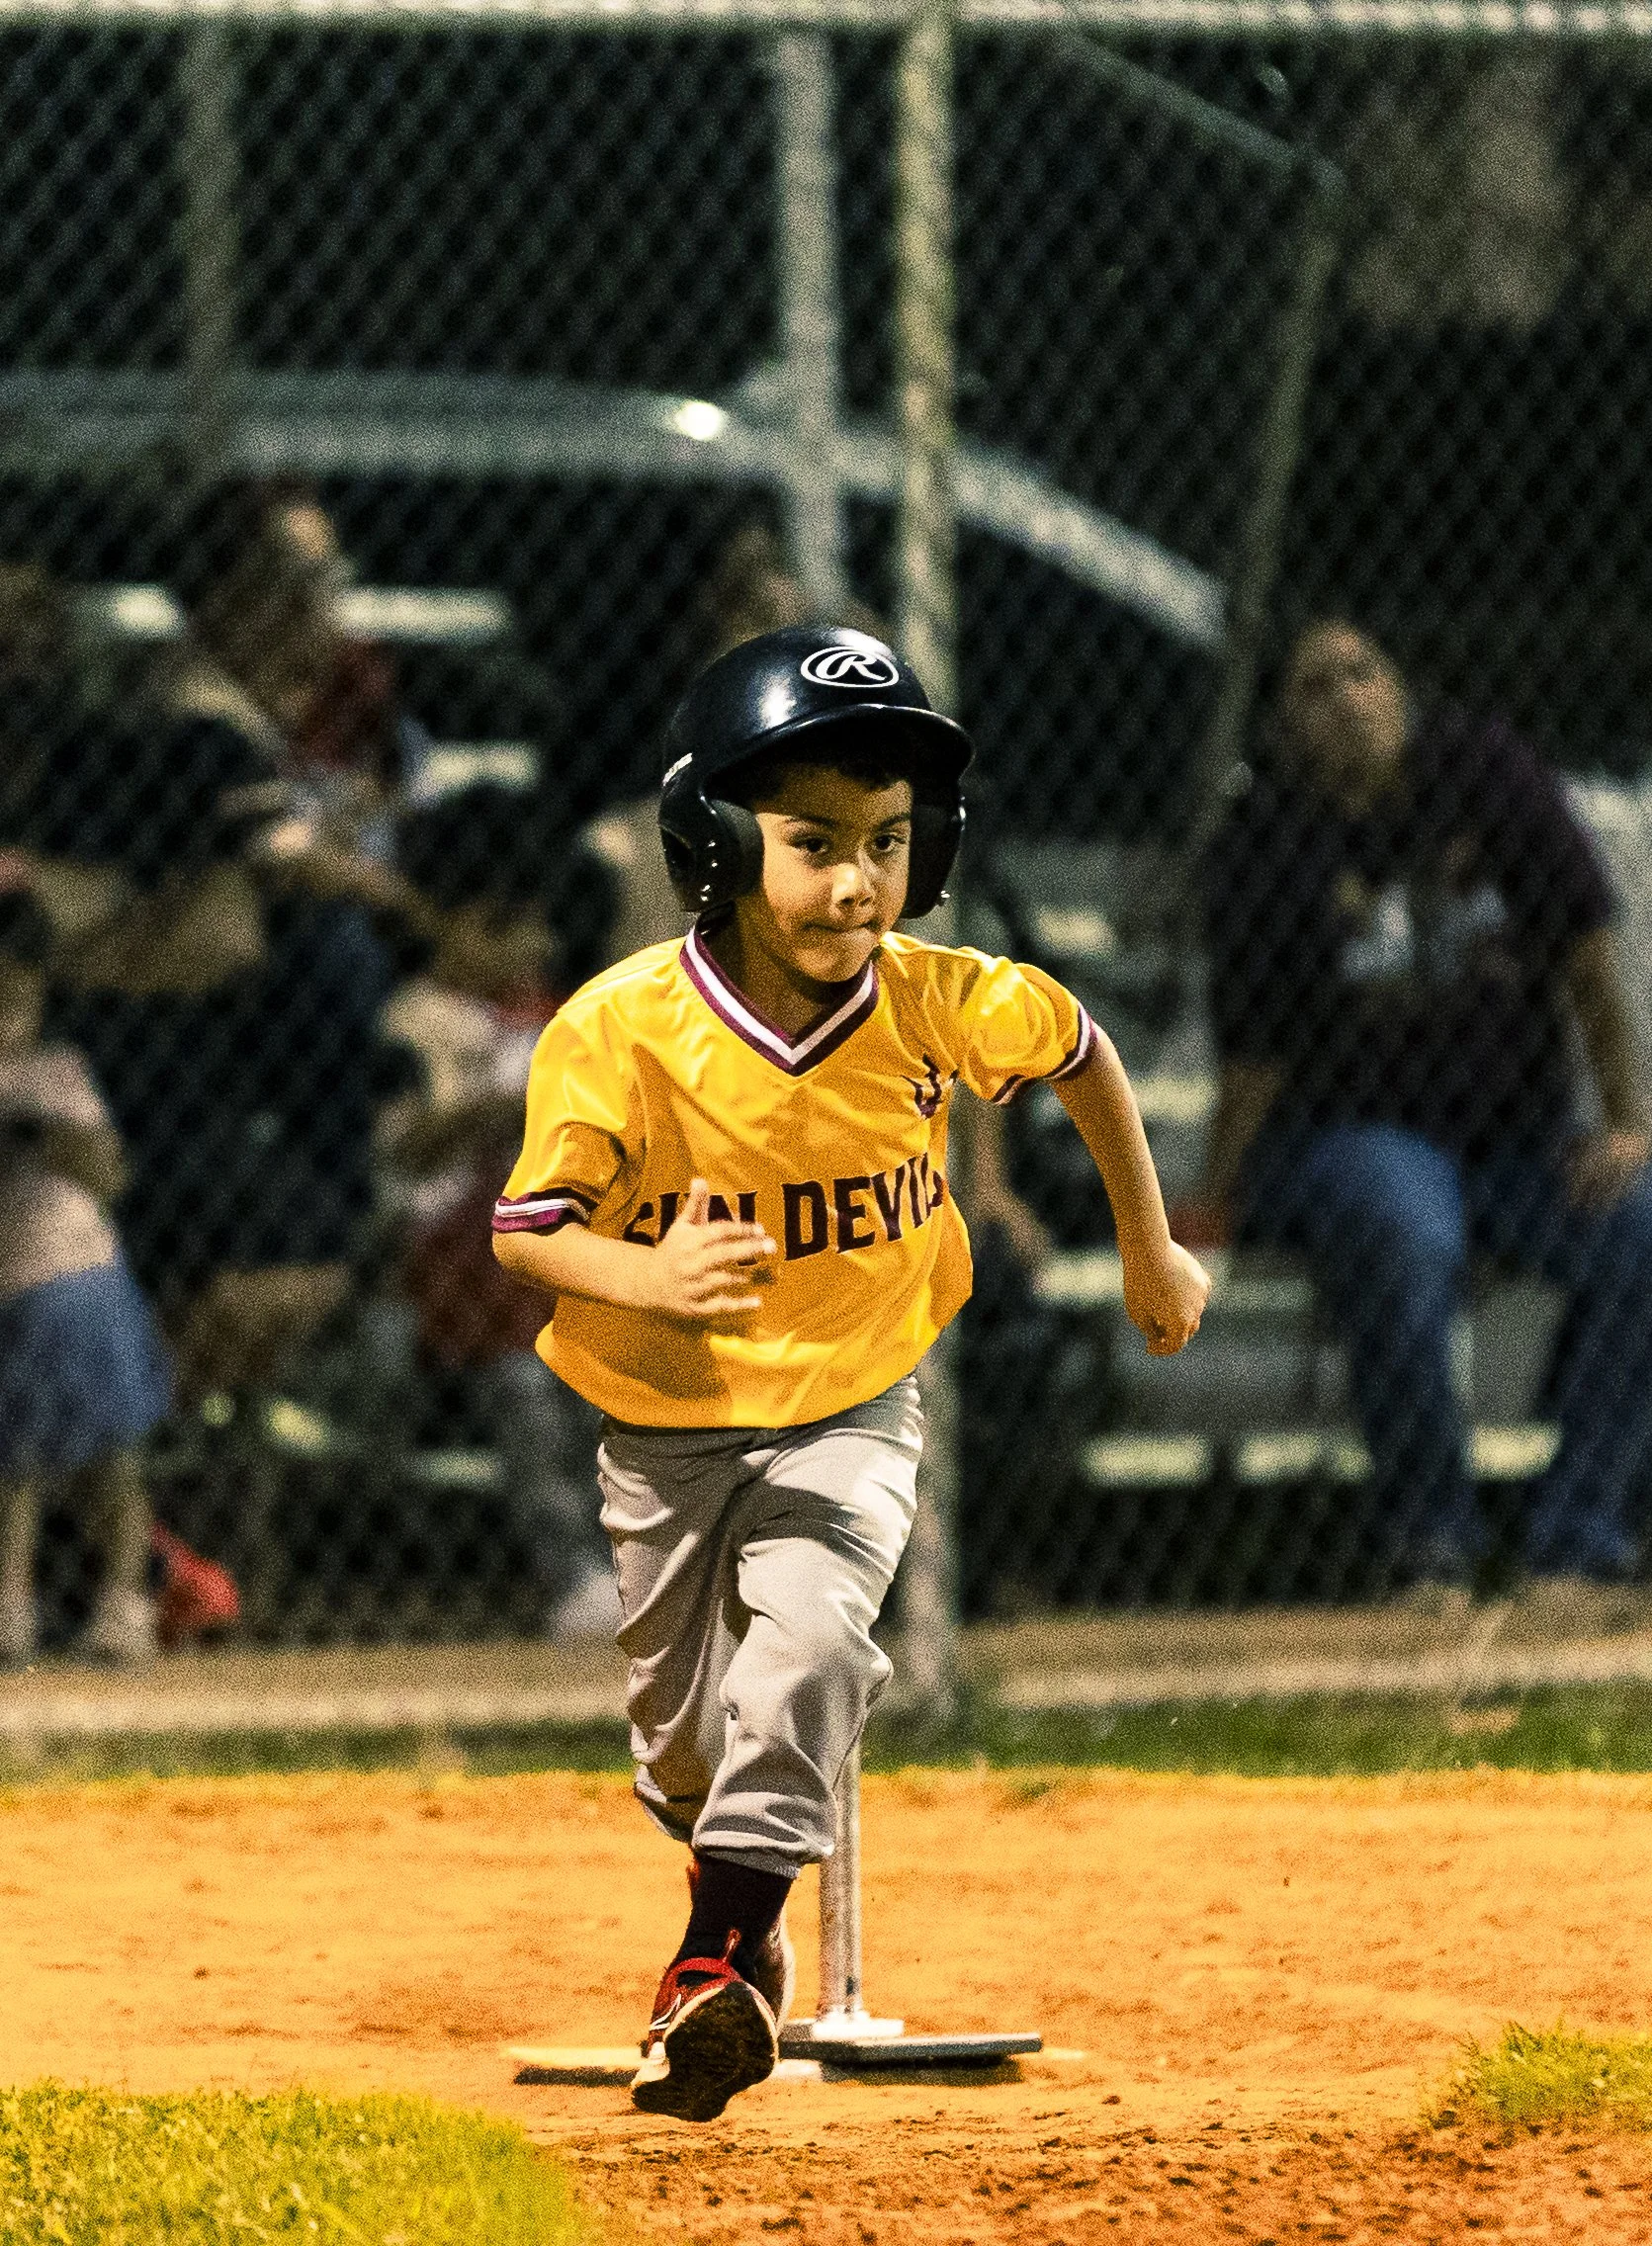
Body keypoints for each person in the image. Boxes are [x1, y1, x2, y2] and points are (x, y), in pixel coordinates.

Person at [492, 625, 1208, 2120]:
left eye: (887, 843)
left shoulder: (934, 996)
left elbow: (1082, 1055)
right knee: (686, 1741)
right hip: (665, 1421)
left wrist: (1149, 1255)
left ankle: (706, 1966)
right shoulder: (623, 1032)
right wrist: (654, 1275)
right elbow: (527, 1234)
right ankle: (739, 1920)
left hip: (853, 1400)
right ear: (712, 842)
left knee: (810, 1652)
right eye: (811, 842)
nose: (854, 882)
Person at [1196, 618, 1652, 1587]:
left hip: (1514, 1140)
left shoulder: (1488, 776)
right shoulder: (1265, 837)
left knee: (1643, 1227)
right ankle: (1433, 1540)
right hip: (1348, 1134)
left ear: (1401, 689)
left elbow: (1589, 957)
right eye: (1316, 687)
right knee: (1407, 1220)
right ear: (1283, 727)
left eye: (1364, 671)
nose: (1348, 697)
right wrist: (1212, 1190)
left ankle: (1575, 1537)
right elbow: (1256, 1059)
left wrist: (1625, 1122)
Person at [382, 785, 616, 1638]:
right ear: (466, 925)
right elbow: (404, 1154)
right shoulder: (417, 1023)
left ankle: (647, 1562)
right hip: (455, 1265)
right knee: (524, 1392)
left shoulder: (550, 1014)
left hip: (559, 1259)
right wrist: (499, 1105)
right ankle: (572, 1576)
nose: (541, 948)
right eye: (517, 928)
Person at [0, 888, 169, 1668]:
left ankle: (125, 1600)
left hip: (75, 1284)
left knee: (112, 1458)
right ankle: (11, 1608)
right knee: (14, 1463)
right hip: (11, 1295)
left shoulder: (54, 1072)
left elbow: (110, 1174)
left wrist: (48, 1133)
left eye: (19, 995)